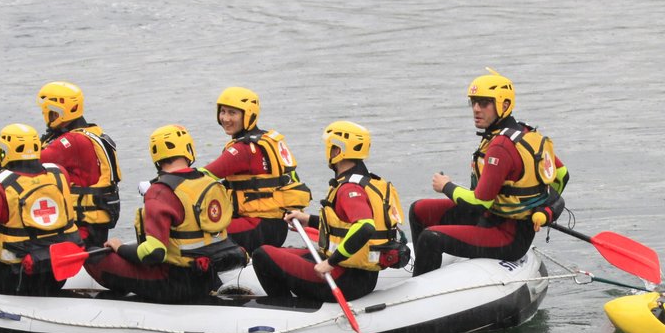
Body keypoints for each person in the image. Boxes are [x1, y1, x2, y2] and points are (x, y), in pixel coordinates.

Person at [409, 69, 567, 276]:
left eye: (484, 103)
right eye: (473, 102)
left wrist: (446, 186)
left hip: (507, 236)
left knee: (431, 237)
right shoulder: (525, 133)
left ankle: (420, 290)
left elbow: (479, 201)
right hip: (489, 216)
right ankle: (423, 264)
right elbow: (562, 175)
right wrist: (540, 208)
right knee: (419, 210)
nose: (476, 109)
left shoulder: (501, 146)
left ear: (504, 105)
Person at [84, 125, 246, 302]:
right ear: (189, 150)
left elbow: (154, 253)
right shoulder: (209, 182)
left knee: (93, 256)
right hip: (208, 277)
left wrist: (119, 247)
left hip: (174, 285)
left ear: (156, 157)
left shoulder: (160, 191)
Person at [252, 121, 408, 302]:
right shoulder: (366, 181)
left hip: (345, 280)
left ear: (337, 151)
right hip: (361, 276)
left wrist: (330, 263)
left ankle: (285, 308)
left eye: (329, 147)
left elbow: (365, 227)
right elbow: (343, 225)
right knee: (282, 252)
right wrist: (308, 219)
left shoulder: (349, 189)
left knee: (262, 255)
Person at [0, 81, 122, 247]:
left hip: (79, 231)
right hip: (88, 226)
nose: (46, 115)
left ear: (58, 113)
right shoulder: (91, 132)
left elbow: (21, 169)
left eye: (49, 111)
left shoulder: (71, 142)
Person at [0, 123, 83, 295]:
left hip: (16, 279)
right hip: (55, 276)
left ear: (3, 151)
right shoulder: (59, 175)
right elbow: (28, 177)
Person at [200, 86, 312, 253]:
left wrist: (162, 183)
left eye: (232, 113)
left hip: (257, 228)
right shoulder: (269, 140)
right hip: (278, 227)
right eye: (222, 112)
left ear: (249, 114)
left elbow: (200, 177)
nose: (225, 118)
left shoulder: (242, 150)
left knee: (196, 231)